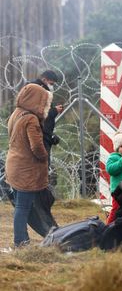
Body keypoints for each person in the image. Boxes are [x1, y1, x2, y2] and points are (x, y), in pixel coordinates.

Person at [5, 84, 53, 247]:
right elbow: (37, 147)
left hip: (14, 165)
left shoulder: (17, 113)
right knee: (23, 207)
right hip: (26, 169)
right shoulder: (31, 119)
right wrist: (45, 157)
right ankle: (21, 241)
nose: (46, 106)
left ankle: (22, 239)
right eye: (44, 102)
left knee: (21, 205)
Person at [28, 70, 63, 166]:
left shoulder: (41, 90)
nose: (52, 86)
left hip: (43, 135)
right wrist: (54, 111)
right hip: (39, 136)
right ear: (44, 79)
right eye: (51, 83)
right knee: (40, 170)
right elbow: (39, 114)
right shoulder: (37, 91)